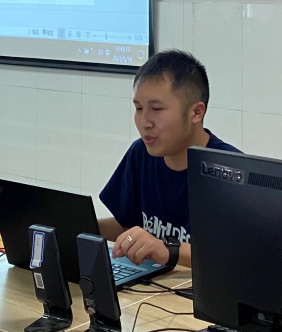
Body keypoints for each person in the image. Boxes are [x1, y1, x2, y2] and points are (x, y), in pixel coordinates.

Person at [98, 49, 240, 270]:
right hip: (150, 286)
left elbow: (234, 257)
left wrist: (167, 250)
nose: (144, 122)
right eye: (138, 108)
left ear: (196, 113)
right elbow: (125, 226)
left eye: (156, 109)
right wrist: (76, 227)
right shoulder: (140, 153)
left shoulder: (230, 171)